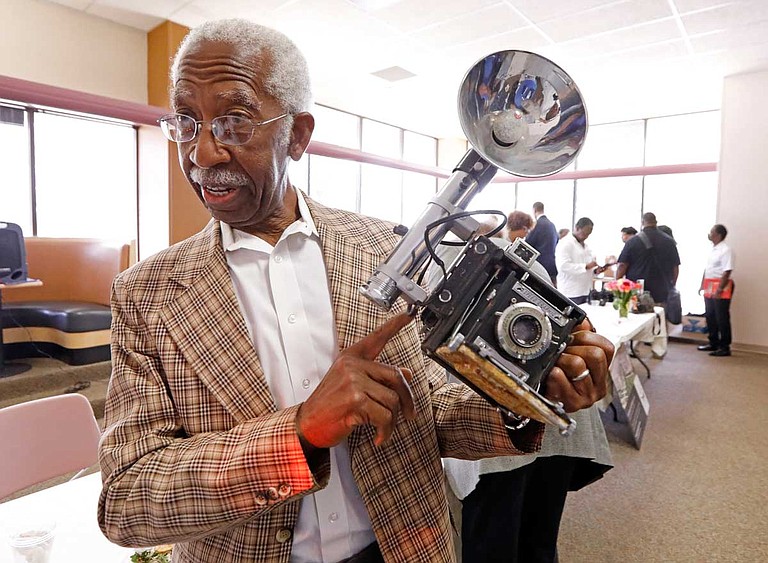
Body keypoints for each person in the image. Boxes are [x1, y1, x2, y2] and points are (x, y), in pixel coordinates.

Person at [96, 19, 613, 563]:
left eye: (234, 122)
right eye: (185, 121)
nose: (202, 154)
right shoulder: (145, 295)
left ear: (297, 135)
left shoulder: (388, 249)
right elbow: (127, 500)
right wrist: (300, 432)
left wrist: (529, 399)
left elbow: (432, 413)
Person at [445, 211, 612, 563]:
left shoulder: (441, 263)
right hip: (555, 421)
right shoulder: (526, 262)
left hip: (495, 438)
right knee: (539, 539)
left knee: (494, 543)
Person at [616, 212, 680, 304]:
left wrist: (617, 284)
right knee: (660, 316)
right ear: (656, 222)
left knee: (638, 317)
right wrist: (671, 286)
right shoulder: (669, 241)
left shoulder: (632, 241)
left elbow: (622, 265)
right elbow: (675, 268)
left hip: (637, 291)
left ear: (642, 223)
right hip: (661, 292)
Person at [698, 224, 734, 357]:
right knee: (710, 315)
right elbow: (708, 269)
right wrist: (702, 284)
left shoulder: (726, 249)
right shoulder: (713, 249)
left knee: (721, 317)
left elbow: (727, 270)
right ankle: (713, 342)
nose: (709, 234)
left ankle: (725, 346)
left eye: (711, 232)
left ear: (718, 235)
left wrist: (720, 289)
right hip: (709, 284)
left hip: (721, 284)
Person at [555, 217, 604, 304]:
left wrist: (595, 270)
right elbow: (563, 266)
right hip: (571, 291)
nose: (586, 237)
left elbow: (588, 266)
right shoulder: (565, 243)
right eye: (584, 233)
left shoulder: (586, 246)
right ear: (577, 228)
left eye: (588, 234)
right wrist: (585, 266)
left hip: (585, 290)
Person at [525, 202, 559, 286]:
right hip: (552, 266)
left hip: (539, 267)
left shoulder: (537, 224)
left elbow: (528, 244)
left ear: (534, 210)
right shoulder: (552, 225)